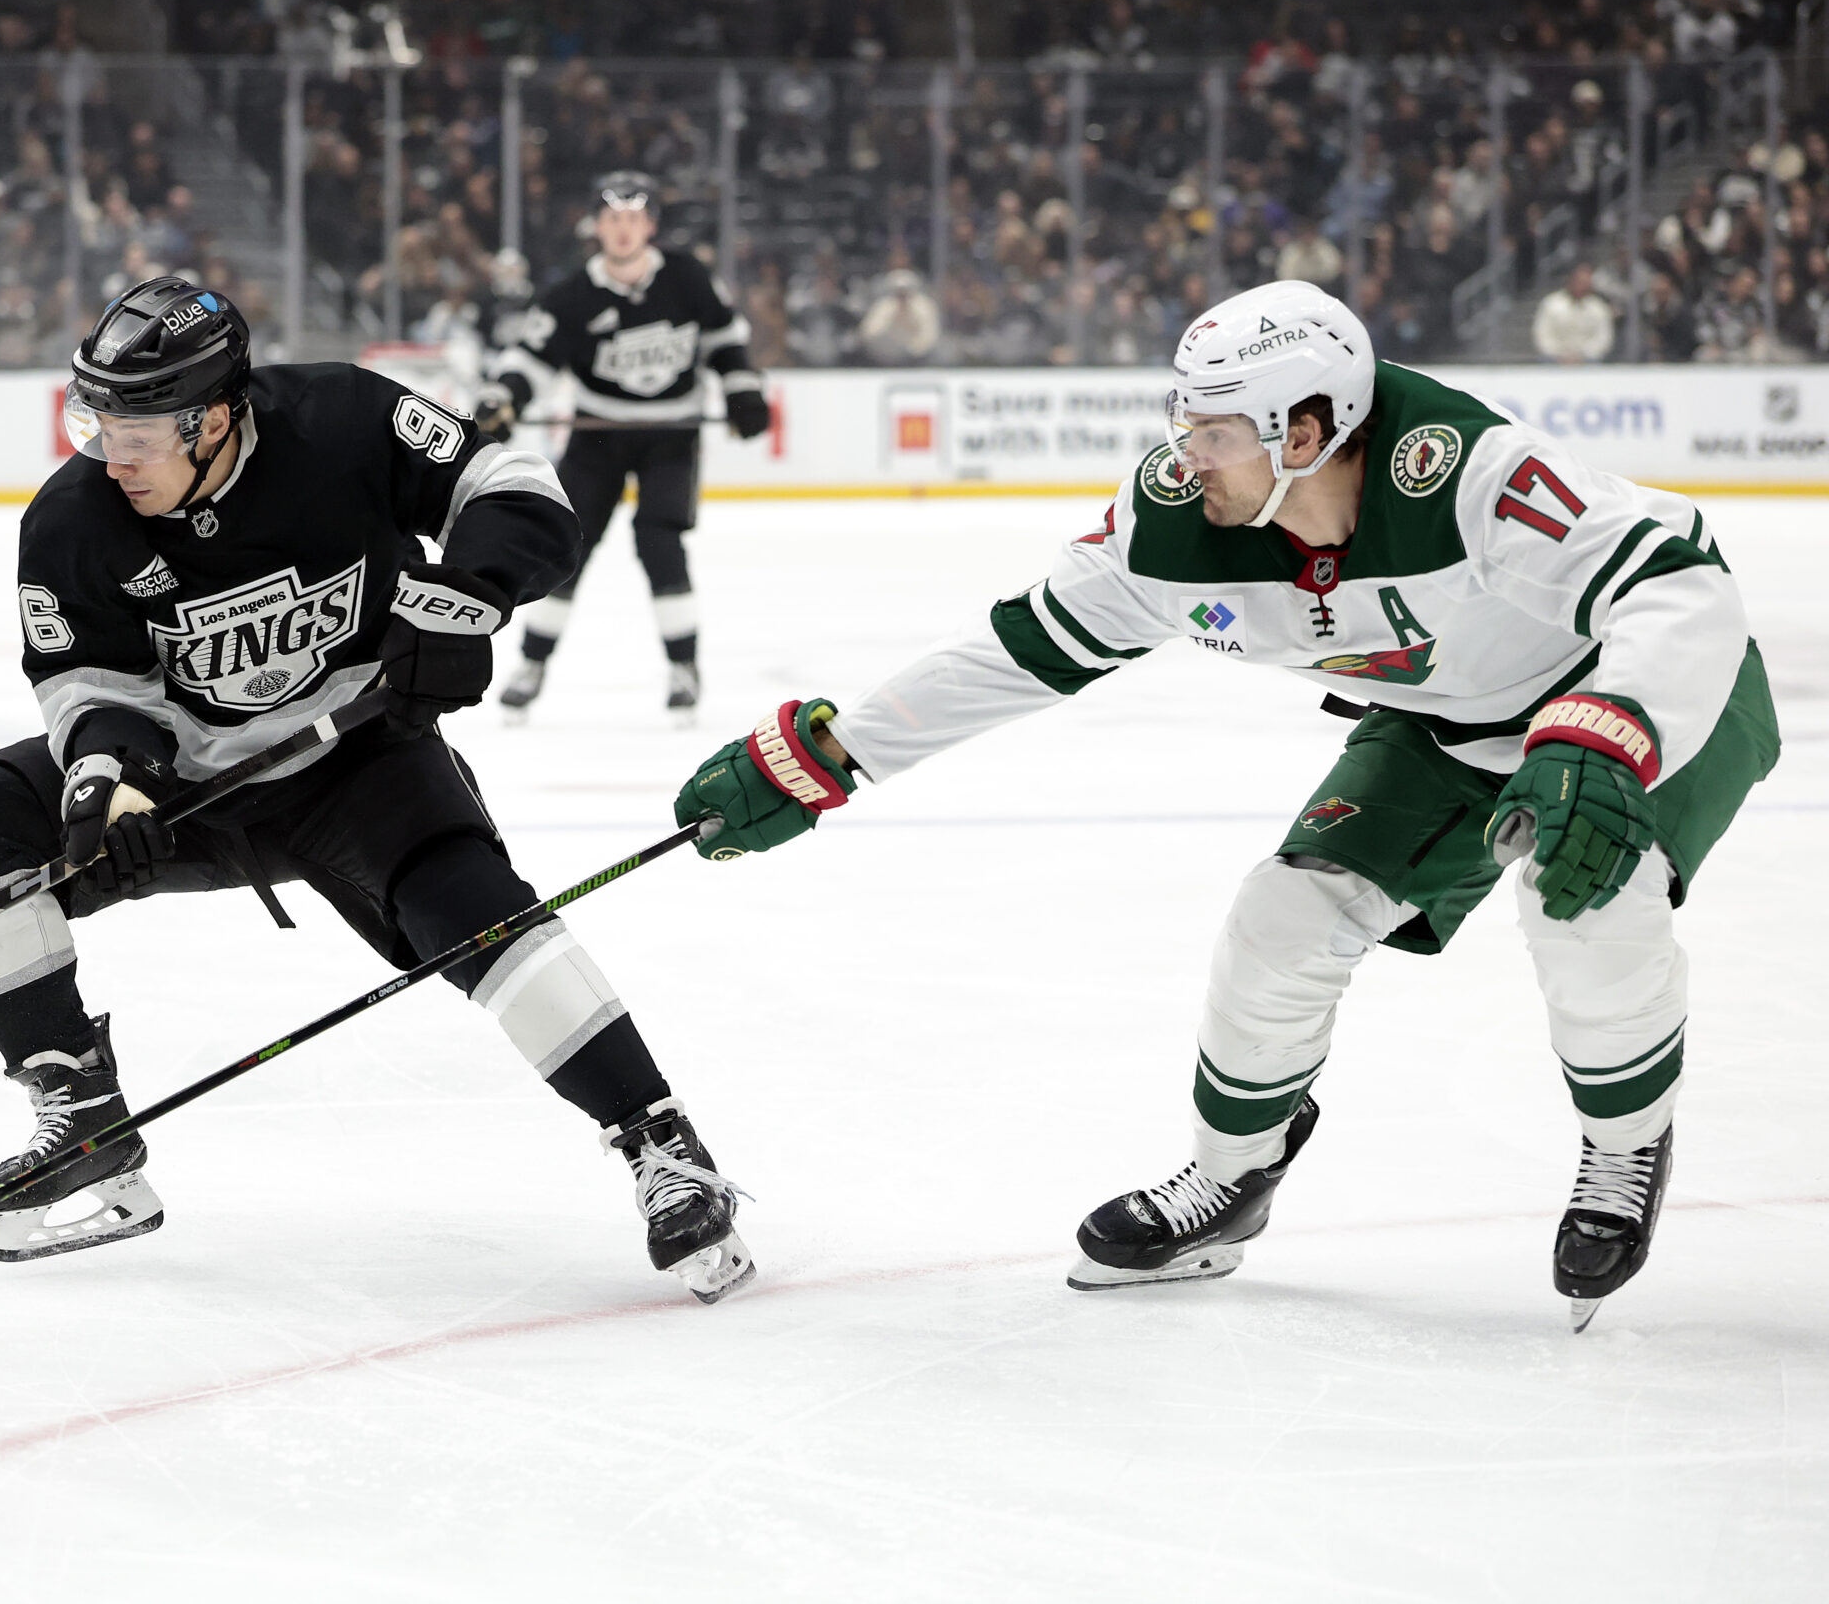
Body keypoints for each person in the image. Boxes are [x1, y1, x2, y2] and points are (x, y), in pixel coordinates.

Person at [673, 279, 1777, 1332]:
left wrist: (1613, 723)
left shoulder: (1469, 469)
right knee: (1280, 920)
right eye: (1182, 420)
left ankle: (1626, 1146)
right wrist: (834, 754)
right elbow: (1024, 647)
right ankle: (1228, 1180)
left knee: (1581, 897)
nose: (1182, 454)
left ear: (1304, 434)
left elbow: (1676, 583)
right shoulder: (1169, 525)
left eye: (1215, 432)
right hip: (1448, 722)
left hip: (1634, 687)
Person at [0, 276, 755, 1302]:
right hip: (187, 784)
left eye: (137, 430)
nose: (110, 451)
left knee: (478, 913)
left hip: (360, 764)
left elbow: (514, 484)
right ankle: (83, 1119)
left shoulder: (345, 420)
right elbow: (87, 682)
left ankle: (660, 1141)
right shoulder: (72, 520)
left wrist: (467, 599)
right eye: (99, 421)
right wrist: (108, 785)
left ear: (214, 416)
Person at [477, 172, 772, 722]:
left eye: (633, 219)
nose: (622, 230)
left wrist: (743, 390)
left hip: (671, 436)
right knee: (567, 546)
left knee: (659, 542)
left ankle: (683, 668)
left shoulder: (687, 277)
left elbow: (725, 340)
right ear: (597, 226)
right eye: (612, 219)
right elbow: (532, 360)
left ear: (651, 226)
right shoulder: (572, 295)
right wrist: (503, 400)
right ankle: (533, 664)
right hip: (600, 435)